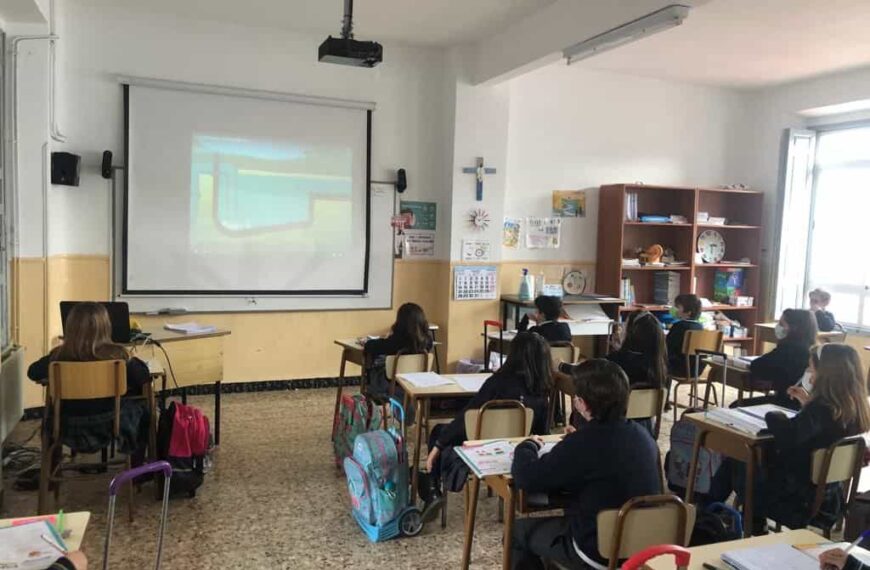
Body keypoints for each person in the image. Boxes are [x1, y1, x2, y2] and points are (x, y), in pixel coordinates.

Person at [509, 359, 660, 570]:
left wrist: (527, 446)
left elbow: (527, 477)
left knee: (517, 531)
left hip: (597, 551)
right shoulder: (644, 436)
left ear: (581, 403)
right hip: (643, 549)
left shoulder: (583, 443)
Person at [419, 332, 553, 520]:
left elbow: (468, 416)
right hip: (518, 450)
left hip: (482, 447)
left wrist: (439, 445)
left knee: (440, 431)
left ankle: (433, 489)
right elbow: (542, 432)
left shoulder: (497, 382)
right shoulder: (543, 390)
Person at [740, 344, 870, 533]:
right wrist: (808, 405)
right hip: (830, 497)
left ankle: (746, 523)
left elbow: (789, 436)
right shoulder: (854, 408)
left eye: (811, 368)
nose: (808, 373)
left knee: (743, 460)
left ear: (826, 373)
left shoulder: (820, 408)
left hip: (797, 498)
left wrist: (773, 414)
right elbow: (821, 429)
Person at [27, 302, 152, 455]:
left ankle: (52, 470)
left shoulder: (58, 357)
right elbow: (143, 377)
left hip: (66, 426)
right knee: (144, 407)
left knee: (50, 411)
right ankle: (138, 469)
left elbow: (32, 372)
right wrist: (133, 359)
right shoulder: (119, 356)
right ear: (106, 327)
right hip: (110, 425)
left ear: (70, 328)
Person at [739, 308, 817, 409]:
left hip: (786, 403)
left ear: (794, 328)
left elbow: (756, 366)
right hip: (802, 403)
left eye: (781, 324)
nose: (778, 327)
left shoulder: (788, 349)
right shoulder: (814, 350)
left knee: (736, 405)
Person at [362, 302, 433, 399]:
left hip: (393, 384)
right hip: (416, 382)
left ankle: (372, 396)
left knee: (376, 363)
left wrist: (370, 341)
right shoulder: (427, 342)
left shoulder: (396, 341)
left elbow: (371, 346)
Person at [666, 294, 705, 378]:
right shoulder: (700, 327)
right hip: (697, 370)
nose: (674, 309)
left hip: (679, 369)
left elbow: (667, 346)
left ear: (688, 312)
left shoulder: (679, 326)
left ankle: (662, 389)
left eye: (677, 307)